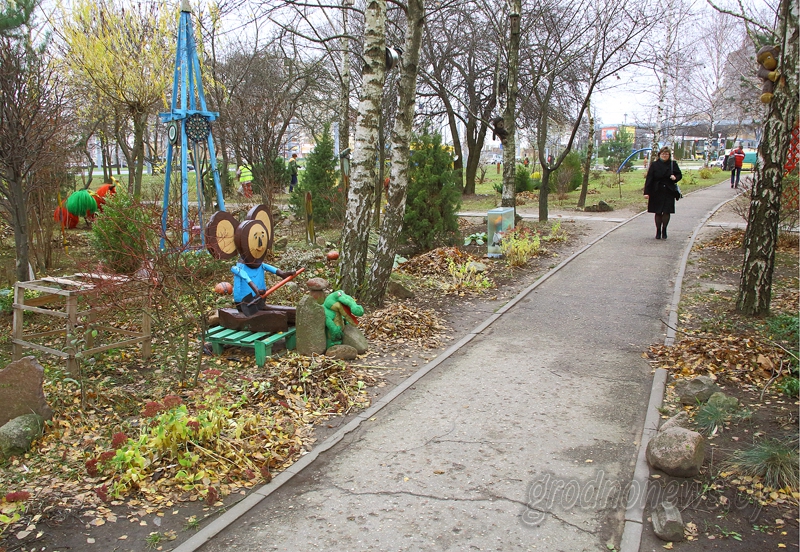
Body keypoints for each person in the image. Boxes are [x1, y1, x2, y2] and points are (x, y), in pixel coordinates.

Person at [644, 146, 682, 240]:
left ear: (669, 155)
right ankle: (658, 230)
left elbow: (679, 175)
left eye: (666, 154)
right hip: (656, 191)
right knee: (657, 212)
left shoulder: (673, 164)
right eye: (663, 154)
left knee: (666, 211)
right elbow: (649, 179)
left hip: (669, 191)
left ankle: (664, 229)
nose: (665, 155)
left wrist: (675, 178)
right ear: (659, 155)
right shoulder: (654, 165)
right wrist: (647, 192)